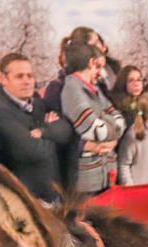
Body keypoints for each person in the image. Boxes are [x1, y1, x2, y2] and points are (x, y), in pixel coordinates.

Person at [0, 53, 74, 202]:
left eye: (30, 76)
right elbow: (33, 151)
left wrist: (43, 131)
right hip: (25, 201)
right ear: (4, 79)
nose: (27, 81)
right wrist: (51, 132)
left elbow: (67, 131)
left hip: (52, 194)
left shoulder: (37, 104)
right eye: (19, 76)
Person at [61, 42, 126, 197]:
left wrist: (106, 123)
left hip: (104, 174)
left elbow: (120, 121)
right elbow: (94, 130)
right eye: (100, 67)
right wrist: (112, 127)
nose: (102, 73)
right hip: (88, 182)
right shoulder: (72, 89)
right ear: (91, 62)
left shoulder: (94, 89)